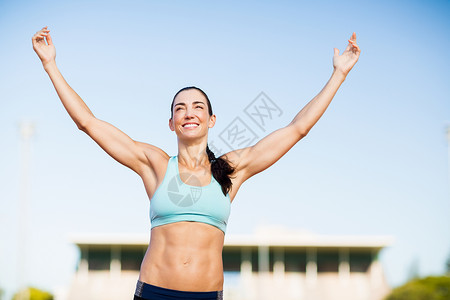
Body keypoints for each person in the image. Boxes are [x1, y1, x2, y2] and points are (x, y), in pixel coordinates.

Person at [32, 26, 361, 300]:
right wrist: (50, 66)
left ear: (211, 119)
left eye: (197, 107)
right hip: (153, 292)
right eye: (180, 108)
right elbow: (88, 122)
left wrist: (339, 74)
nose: (189, 112)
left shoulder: (232, 168)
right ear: (172, 123)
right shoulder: (155, 164)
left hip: (207, 294)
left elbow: (297, 129)